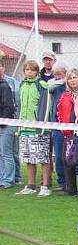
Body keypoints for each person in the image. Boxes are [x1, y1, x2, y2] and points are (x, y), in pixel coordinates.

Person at [15, 60, 53, 196]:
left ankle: (45, 186)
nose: (29, 72)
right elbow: (19, 106)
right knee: (28, 158)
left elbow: (45, 106)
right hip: (25, 128)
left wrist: (41, 127)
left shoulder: (42, 85)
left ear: (37, 71)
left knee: (43, 158)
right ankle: (31, 185)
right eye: (27, 70)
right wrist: (18, 127)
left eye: (32, 70)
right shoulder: (22, 85)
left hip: (39, 129)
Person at [55, 67, 78, 196]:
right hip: (68, 132)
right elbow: (59, 112)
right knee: (67, 160)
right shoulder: (65, 96)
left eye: (74, 77)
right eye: (70, 78)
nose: (72, 81)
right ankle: (70, 188)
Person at [0, 58, 15, 188]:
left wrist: (3, 121)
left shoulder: (4, 86)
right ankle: (2, 178)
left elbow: (9, 106)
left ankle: (8, 179)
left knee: (7, 153)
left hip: (6, 125)